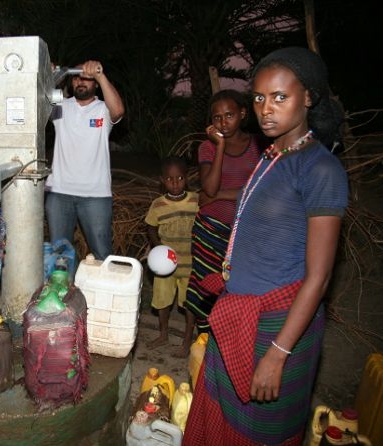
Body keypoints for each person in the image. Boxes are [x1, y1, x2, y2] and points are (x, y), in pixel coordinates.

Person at [183, 47, 349, 445]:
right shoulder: (271, 155)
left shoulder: (320, 169)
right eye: (258, 98)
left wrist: (277, 354)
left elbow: (320, 276)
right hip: (239, 316)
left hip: (276, 324)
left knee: (259, 431)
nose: (266, 109)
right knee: (220, 420)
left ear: (307, 96)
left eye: (280, 97)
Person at [184, 89, 263, 333]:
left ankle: (229, 336)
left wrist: (218, 195)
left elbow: (258, 190)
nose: (223, 121)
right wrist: (219, 147)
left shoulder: (259, 146)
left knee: (237, 285)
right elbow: (208, 185)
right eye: (217, 117)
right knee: (204, 284)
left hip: (245, 231)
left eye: (229, 115)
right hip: (210, 227)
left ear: (242, 114)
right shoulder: (207, 148)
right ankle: (204, 339)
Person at [45, 60, 125, 260]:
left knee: (102, 253)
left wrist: (99, 74)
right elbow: (37, 101)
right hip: (59, 193)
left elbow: (119, 111)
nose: (81, 81)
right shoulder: (60, 106)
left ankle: (103, 290)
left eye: (87, 78)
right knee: (59, 255)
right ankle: (63, 291)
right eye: (76, 77)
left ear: (95, 84)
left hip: (96, 195)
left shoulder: (102, 109)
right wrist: (51, 74)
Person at [144, 156, 199, 357]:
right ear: (162, 180)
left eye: (179, 178)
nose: (175, 183)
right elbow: (150, 226)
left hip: (190, 264)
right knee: (162, 300)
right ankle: (163, 333)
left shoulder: (195, 201)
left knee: (190, 303)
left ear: (186, 178)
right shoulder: (158, 204)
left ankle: (186, 340)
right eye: (169, 179)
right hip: (165, 265)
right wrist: (157, 247)